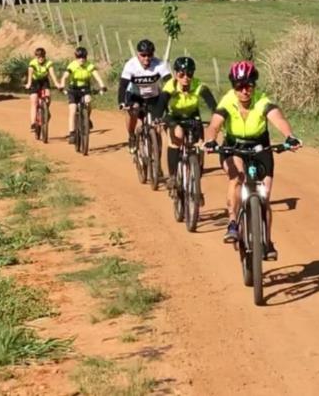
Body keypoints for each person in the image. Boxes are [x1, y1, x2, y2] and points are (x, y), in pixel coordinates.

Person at [203, 60, 302, 261]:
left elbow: (278, 118)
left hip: (260, 148)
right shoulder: (227, 101)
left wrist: (289, 136)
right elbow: (214, 124)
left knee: (264, 198)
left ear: (254, 85)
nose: (245, 90)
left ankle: (267, 240)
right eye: (239, 86)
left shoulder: (262, 101)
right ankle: (232, 223)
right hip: (234, 147)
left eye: (249, 85)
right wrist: (210, 140)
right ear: (233, 86)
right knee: (236, 179)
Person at [162, 56, 217, 193]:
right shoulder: (171, 85)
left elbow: (212, 105)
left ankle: (196, 186)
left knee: (200, 146)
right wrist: (158, 117)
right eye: (181, 74)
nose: (186, 77)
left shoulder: (199, 86)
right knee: (178, 136)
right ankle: (173, 176)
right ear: (175, 74)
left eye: (189, 73)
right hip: (173, 116)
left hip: (193, 116)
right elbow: (161, 102)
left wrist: (217, 117)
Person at [117, 39, 171, 153]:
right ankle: (132, 135)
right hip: (135, 96)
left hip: (153, 97)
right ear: (138, 54)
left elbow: (170, 83)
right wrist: (121, 102)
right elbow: (123, 86)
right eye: (143, 55)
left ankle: (156, 158)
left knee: (156, 128)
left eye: (150, 55)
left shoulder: (160, 64)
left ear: (153, 54)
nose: (146, 58)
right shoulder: (131, 65)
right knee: (134, 110)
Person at [59, 46, 107, 144]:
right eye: (79, 57)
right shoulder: (72, 66)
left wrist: (102, 85)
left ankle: (86, 118)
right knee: (72, 110)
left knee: (88, 102)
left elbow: (96, 75)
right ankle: (72, 133)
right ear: (76, 57)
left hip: (85, 89)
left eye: (83, 57)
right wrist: (62, 85)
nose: (81, 59)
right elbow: (65, 77)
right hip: (73, 90)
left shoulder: (89, 65)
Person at [25, 47, 60, 132]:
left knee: (48, 96)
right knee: (34, 101)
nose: (40, 58)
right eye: (38, 57)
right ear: (36, 57)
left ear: (45, 56)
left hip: (44, 81)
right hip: (34, 82)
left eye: (42, 56)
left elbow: (52, 74)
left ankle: (46, 110)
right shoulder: (32, 63)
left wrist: (56, 83)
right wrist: (29, 83)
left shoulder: (48, 63)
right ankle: (33, 123)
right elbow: (30, 75)